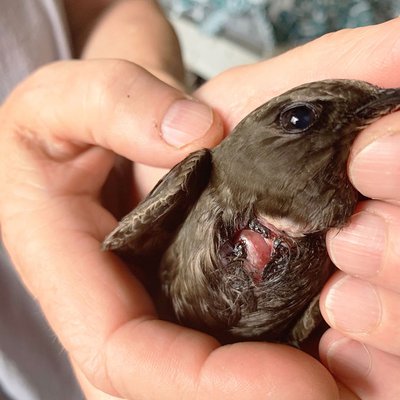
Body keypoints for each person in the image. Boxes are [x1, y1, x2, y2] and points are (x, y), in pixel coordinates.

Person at [0, 0, 399, 399]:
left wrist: (138, 103)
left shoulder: (344, 233)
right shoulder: (203, 175)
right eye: (298, 120)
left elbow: (104, 8)